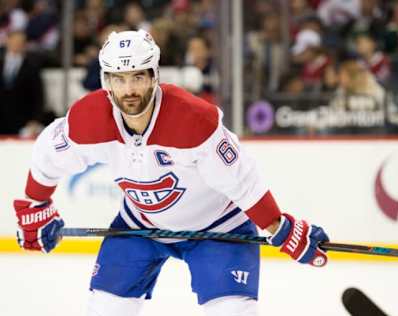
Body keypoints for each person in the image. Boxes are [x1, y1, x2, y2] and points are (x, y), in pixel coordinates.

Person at [13, 29, 330, 316]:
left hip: (218, 229)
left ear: (154, 75)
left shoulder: (193, 119)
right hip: (141, 226)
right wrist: (35, 205)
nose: (129, 90)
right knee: (104, 308)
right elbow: (47, 156)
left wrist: (279, 226)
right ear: (106, 81)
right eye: (119, 79)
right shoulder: (87, 119)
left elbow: (243, 181)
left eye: (138, 77)